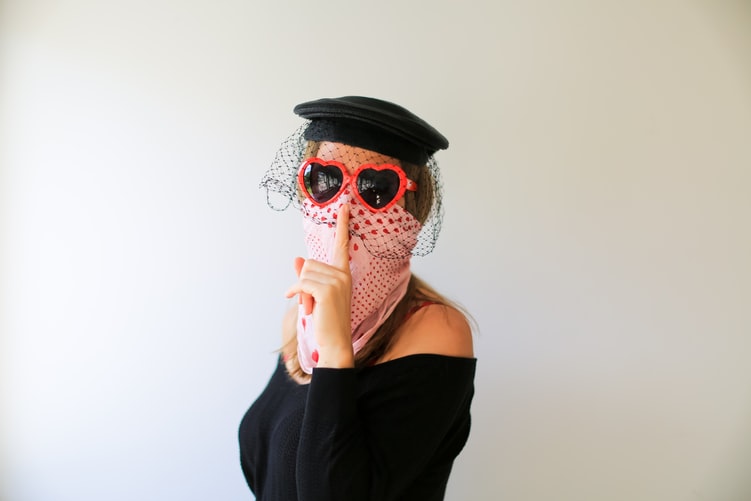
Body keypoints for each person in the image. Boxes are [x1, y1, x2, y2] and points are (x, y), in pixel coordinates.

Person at [239, 96, 476, 501]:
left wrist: (335, 350)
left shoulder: (437, 330)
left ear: (413, 210)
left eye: (376, 188)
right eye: (325, 179)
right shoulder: (300, 319)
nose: (343, 209)